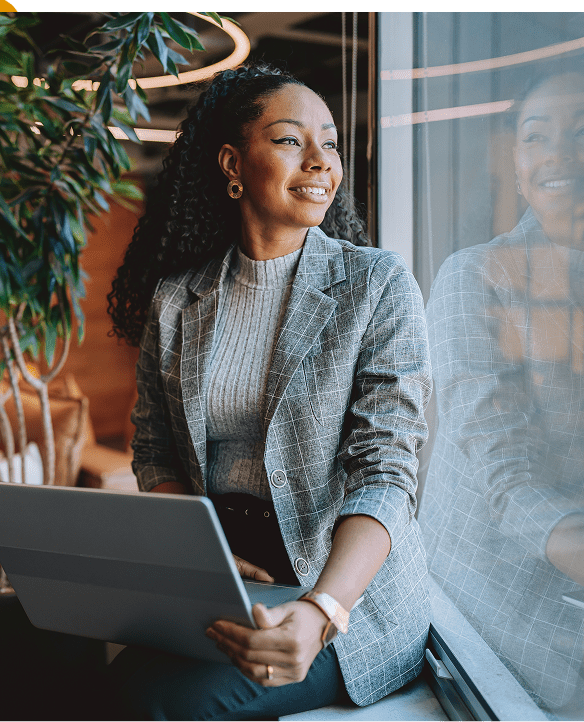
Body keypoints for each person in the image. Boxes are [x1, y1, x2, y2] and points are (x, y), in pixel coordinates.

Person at [105, 64, 432, 721]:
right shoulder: (178, 299)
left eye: (330, 143)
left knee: (169, 705)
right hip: (225, 576)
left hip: (342, 591)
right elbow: (156, 451)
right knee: (110, 685)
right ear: (233, 164)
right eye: (289, 140)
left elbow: (386, 471)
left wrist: (321, 610)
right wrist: (204, 559)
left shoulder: (377, 285)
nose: (320, 161)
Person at [421, 65, 584, 717]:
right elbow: (509, 485)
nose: (557, 154)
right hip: (495, 619)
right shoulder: (475, 277)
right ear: (516, 165)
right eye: (535, 136)